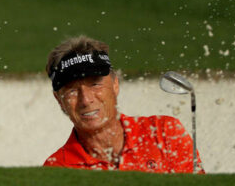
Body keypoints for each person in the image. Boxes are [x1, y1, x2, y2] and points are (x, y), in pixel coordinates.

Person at [43, 35, 205, 174]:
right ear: (59, 100)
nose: (85, 100)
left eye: (95, 84)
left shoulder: (164, 132)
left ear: (115, 84)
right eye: (72, 90)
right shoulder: (57, 169)